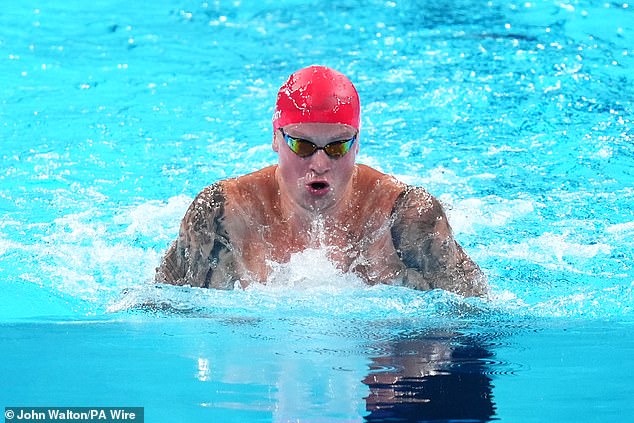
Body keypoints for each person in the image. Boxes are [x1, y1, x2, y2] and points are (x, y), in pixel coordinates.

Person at [155, 65, 486, 297]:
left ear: (357, 142)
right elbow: (158, 305)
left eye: (338, 146)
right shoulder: (222, 213)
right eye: (301, 145)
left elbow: (476, 313)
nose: (320, 163)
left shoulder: (407, 217)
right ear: (275, 138)